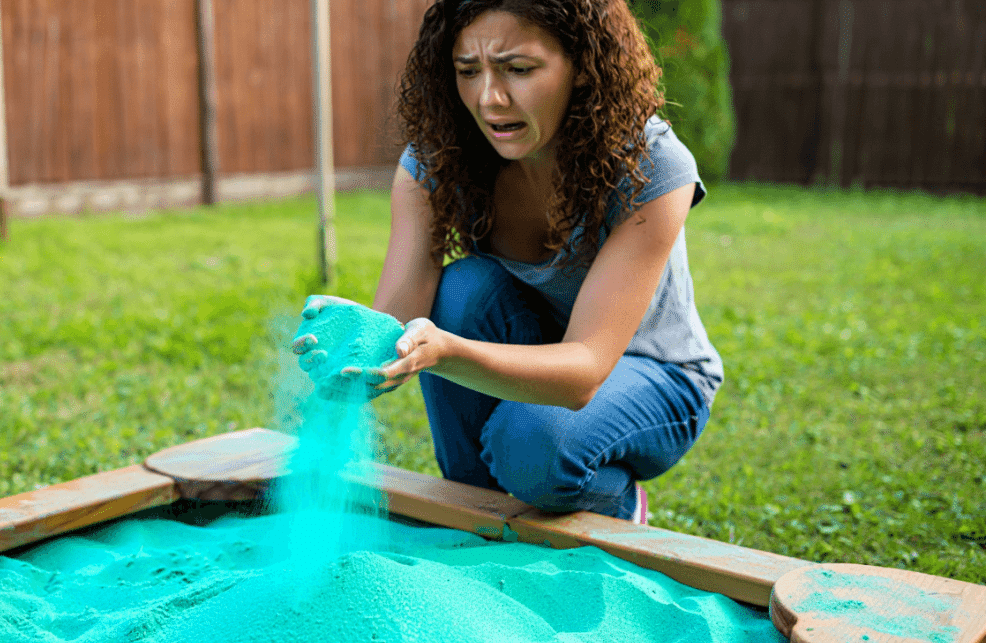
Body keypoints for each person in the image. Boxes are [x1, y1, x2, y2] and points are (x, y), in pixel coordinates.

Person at [293, 0, 722, 524]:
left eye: (518, 69)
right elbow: (396, 325)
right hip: (532, 352)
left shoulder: (651, 165)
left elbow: (585, 368)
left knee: (530, 444)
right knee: (463, 288)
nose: (490, 98)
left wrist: (445, 351)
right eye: (468, 71)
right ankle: (481, 518)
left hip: (654, 375)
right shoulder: (438, 159)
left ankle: (615, 504)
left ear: (583, 64)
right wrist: (352, 354)